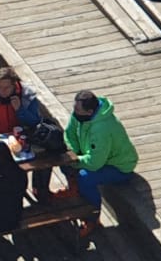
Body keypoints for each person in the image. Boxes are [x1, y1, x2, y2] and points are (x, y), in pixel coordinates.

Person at [54, 90, 138, 237]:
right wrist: (74, 153)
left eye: (78, 110)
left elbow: (94, 164)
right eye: (74, 107)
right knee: (64, 157)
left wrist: (76, 160)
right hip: (97, 157)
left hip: (119, 166)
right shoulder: (80, 115)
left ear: (90, 111)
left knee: (85, 177)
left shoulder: (102, 130)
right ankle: (74, 189)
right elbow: (70, 134)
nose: (74, 112)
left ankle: (92, 218)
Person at [0, 67, 49, 201]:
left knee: (40, 163)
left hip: (21, 140)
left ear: (14, 85)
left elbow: (35, 122)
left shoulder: (27, 96)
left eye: (7, 88)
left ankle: (39, 193)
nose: (2, 91)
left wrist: (20, 110)